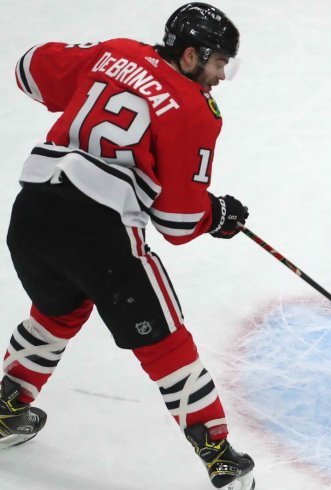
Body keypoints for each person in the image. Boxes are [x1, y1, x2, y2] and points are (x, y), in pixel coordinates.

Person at [0, 3, 254, 489]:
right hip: (101, 232)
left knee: (58, 311)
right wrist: (215, 215)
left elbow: (29, 68)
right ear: (189, 55)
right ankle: (220, 456)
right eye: (218, 62)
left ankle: (6, 405)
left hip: (31, 213)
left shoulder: (116, 51)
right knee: (165, 342)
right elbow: (178, 221)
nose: (221, 75)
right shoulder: (192, 109)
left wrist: (101, 73)